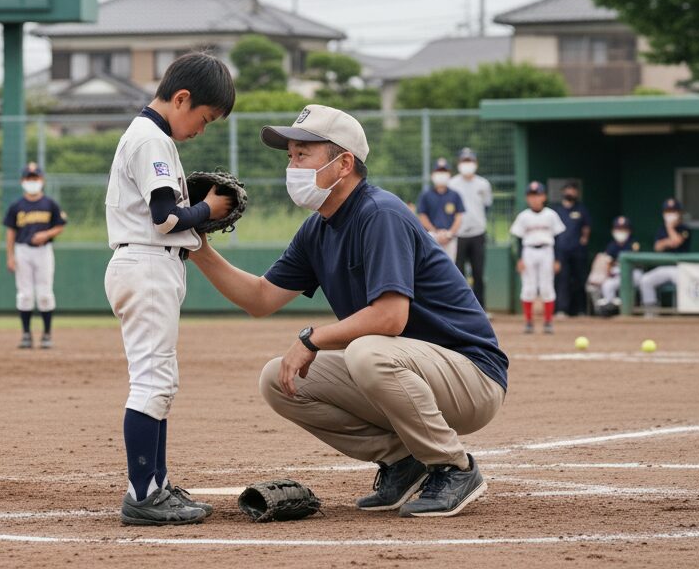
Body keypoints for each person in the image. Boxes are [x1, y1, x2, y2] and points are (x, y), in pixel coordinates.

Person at [190, 105, 507, 519]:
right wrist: (197, 244)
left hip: (471, 376)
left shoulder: (380, 214)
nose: (292, 165)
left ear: (342, 163)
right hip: (407, 368)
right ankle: (402, 462)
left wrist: (311, 338)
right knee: (278, 379)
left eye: (303, 154)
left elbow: (390, 318)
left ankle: (454, 467)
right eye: (290, 155)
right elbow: (260, 298)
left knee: (367, 351)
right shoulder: (318, 227)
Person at [103, 53, 235, 526]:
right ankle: (142, 493)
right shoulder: (150, 139)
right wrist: (207, 209)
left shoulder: (149, 137)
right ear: (181, 98)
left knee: (161, 381)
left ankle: (155, 485)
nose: (202, 129)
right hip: (146, 263)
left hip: (150, 265)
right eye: (204, 117)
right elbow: (167, 219)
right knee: (152, 382)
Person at [4, 162, 67, 349]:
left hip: (44, 251)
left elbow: (61, 224)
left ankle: (47, 334)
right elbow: (10, 233)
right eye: (29, 178)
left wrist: (46, 234)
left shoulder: (49, 203)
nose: (32, 181)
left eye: (35, 178)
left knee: (45, 294)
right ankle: (26, 335)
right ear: (23, 181)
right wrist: (10, 256)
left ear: (42, 180)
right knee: (24, 294)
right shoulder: (17, 205)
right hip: (22, 250)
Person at [510, 181, 567, 334]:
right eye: (531, 195)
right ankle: (529, 322)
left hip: (547, 251)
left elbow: (559, 238)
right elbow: (518, 239)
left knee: (546, 286)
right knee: (528, 287)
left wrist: (558, 259)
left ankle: (548, 322)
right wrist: (519, 259)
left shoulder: (551, 214)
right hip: (529, 251)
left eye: (538, 195)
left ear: (544, 197)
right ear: (527, 198)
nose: (535, 199)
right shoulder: (523, 216)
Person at [448, 147, 493, 309]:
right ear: (459, 163)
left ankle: (481, 309)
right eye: (464, 161)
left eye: (470, 161)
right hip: (458, 234)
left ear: (476, 163)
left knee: (478, 273)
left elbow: (487, 206)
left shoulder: (483, 184)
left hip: (477, 233)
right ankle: (461, 308)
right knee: (458, 274)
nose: (467, 164)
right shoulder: (452, 183)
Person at [639, 197, 692, 313]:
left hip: (679, 267)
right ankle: (651, 310)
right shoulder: (660, 229)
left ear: (679, 213)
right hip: (663, 266)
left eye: (673, 211)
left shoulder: (685, 229)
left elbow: (676, 242)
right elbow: (657, 247)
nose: (670, 214)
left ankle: (684, 312)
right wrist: (668, 241)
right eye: (668, 212)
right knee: (645, 280)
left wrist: (670, 228)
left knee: (684, 283)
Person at [552, 180, 592, 317]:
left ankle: (581, 310)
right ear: (563, 191)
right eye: (568, 189)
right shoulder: (557, 209)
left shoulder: (581, 209)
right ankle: (562, 309)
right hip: (562, 250)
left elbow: (587, 226)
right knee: (562, 280)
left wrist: (584, 239)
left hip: (578, 251)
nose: (571, 192)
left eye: (574, 189)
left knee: (580, 279)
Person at [415, 157, 464, 260]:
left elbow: (459, 217)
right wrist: (435, 233)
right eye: (438, 171)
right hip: (431, 237)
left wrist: (449, 233)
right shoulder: (426, 195)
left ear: (449, 174)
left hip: (450, 239)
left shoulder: (455, 195)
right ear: (433, 174)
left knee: (451, 268)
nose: (441, 175)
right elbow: (422, 216)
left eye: (444, 171)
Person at [593, 215, 641, 311]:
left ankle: (633, 307)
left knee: (639, 279)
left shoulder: (633, 244)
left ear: (629, 230)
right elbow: (608, 263)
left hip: (633, 273)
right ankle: (611, 307)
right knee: (607, 284)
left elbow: (637, 263)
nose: (621, 231)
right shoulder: (611, 246)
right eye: (618, 229)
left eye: (623, 229)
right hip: (618, 275)